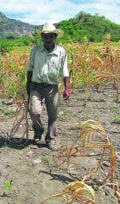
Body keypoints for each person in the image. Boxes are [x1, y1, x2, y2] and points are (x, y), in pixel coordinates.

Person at [26, 22, 70, 150]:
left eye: (51, 36)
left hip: (52, 87)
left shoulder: (61, 52)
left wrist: (67, 88)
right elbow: (30, 69)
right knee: (34, 111)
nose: (48, 38)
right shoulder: (35, 50)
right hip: (36, 86)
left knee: (53, 114)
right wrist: (28, 88)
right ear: (42, 37)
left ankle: (50, 138)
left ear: (55, 37)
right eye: (46, 36)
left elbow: (65, 71)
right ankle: (38, 130)